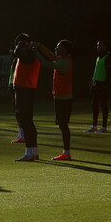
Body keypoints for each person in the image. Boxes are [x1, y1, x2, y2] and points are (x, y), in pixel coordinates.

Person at [33, 40, 74, 161]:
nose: (56, 48)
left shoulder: (64, 63)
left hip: (65, 98)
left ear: (66, 50)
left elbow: (46, 62)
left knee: (63, 125)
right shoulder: (62, 59)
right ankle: (66, 152)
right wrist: (40, 45)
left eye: (59, 47)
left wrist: (36, 52)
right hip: (60, 97)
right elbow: (50, 55)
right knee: (62, 125)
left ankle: (66, 152)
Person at [10, 34, 42, 162]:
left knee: (26, 121)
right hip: (25, 88)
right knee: (28, 121)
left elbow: (17, 53)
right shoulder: (30, 54)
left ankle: (29, 152)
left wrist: (20, 47)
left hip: (25, 89)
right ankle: (33, 151)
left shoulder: (29, 54)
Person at [86, 40, 111, 133]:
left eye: (100, 45)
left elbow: (110, 73)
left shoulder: (107, 58)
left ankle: (104, 127)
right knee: (94, 105)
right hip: (96, 84)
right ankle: (94, 126)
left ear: (105, 46)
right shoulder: (99, 58)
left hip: (103, 85)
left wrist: (107, 85)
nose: (98, 47)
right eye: (97, 45)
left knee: (103, 106)